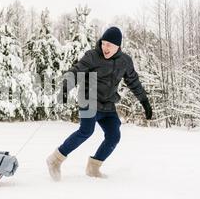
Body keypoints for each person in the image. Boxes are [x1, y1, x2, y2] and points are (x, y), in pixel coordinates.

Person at [46, 27, 152, 181]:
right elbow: (77, 71)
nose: (105, 47)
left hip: (108, 103)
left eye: (109, 45)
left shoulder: (125, 61)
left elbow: (133, 82)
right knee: (86, 131)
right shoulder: (92, 56)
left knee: (114, 136)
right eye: (103, 43)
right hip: (89, 99)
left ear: (118, 46)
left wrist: (145, 101)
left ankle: (93, 167)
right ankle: (54, 160)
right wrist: (65, 87)